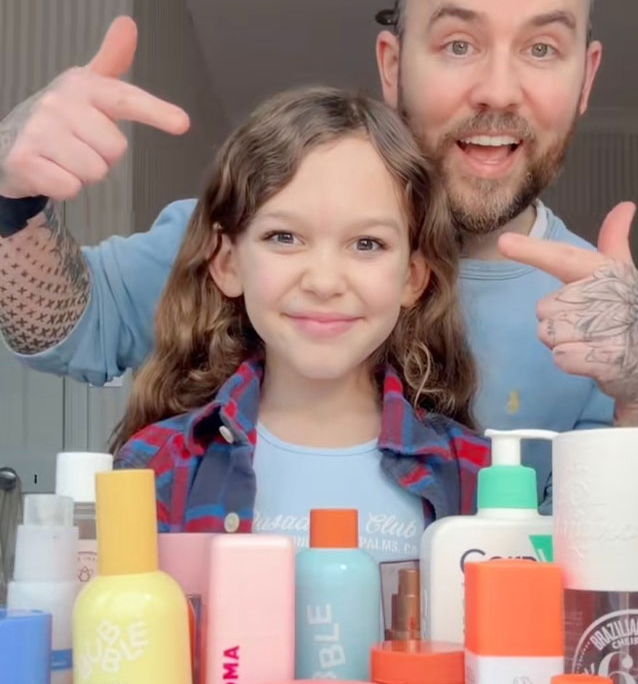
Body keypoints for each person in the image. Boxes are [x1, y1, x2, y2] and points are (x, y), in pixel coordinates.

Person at [0, 0, 638, 506]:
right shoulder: (251, 233)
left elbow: (602, 588)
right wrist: (11, 195)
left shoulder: (599, 319)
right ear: (392, 64)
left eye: (542, 48)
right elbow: (59, 324)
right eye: (458, 44)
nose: (499, 91)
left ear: (585, 75)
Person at [112, 86, 489, 559]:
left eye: (367, 244)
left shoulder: (475, 475)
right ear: (228, 263)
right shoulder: (157, 467)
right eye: (284, 237)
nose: (325, 281)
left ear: (412, 278)